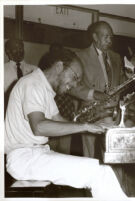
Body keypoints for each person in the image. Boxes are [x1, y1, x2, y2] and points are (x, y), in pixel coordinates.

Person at [5, 48, 127, 199]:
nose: (75, 85)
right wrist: (84, 126)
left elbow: (59, 121)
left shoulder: (43, 87)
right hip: (24, 158)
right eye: (75, 77)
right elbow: (39, 127)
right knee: (100, 172)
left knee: (100, 171)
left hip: (35, 154)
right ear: (59, 67)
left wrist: (94, 125)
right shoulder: (32, 84)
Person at [69, 21, 125, 158]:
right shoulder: (80, 56)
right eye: (106, 37)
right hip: (92, 113)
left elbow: (120, 81)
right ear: (95, 37)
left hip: (112, 114)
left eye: (111, 37)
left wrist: (127, 77)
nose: (109, 41)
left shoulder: (116, 57)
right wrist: (94, 94)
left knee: (113, 155)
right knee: (90, 156)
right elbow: (71, 86)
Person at [4, 39, 37, 112]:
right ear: (7, 51)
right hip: (8, 110)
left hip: (31, 110)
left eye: (21, 48)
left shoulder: (35, 70)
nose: (19, 51)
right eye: (15, 48)